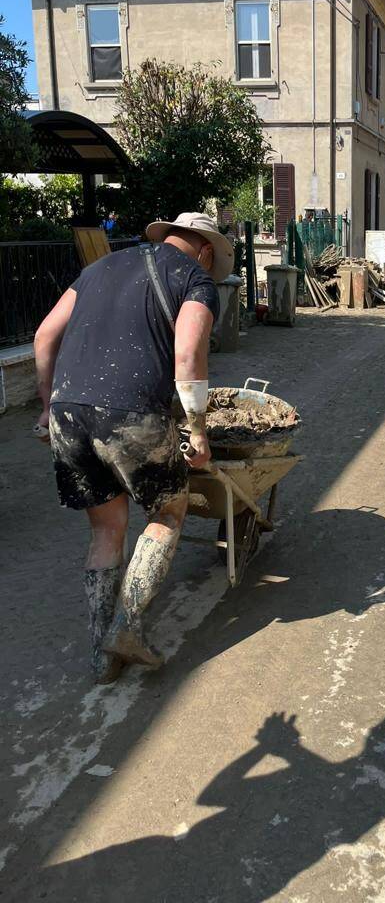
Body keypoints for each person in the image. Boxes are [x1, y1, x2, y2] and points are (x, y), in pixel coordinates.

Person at [34, 213, 233, 683]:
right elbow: (187, 355)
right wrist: (198, 430)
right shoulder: (194, 278)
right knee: (167, 512)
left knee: (106, 530)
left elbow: (44, 334)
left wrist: (46, 408)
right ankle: (126, 627)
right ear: (205, 250)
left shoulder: (99, 267)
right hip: (131, 414)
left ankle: (101, 655)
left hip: (68, 413)